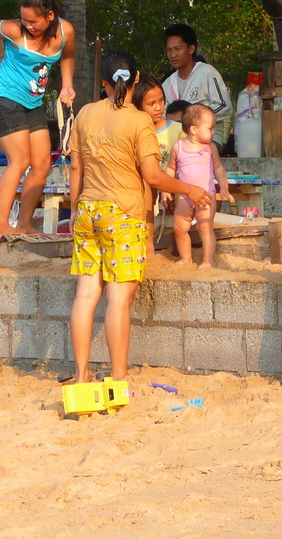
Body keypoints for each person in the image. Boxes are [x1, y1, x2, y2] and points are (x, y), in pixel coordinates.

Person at [68, 52, 211, 385]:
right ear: (135, 81)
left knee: (86, 296)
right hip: (124, 214)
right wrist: (189, 189)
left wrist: (75, 208)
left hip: (88, 212)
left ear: (103, 82)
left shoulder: (86, 113)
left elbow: (76, 166)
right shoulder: (138, 121)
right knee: (117, 299)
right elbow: (153, 176)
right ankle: (118, 377)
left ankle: (80, 374)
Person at [0, 0, 75, 239]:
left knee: (41, 163)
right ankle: (0, 224)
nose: (27, 25)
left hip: (32, 103)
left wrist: (67, 84)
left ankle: (25, 224)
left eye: (33, 21)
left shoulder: (65, 30)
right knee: (19, 160)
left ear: (50, 16)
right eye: (23, 19)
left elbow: (68, 56)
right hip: (5, 98)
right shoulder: (14, 29)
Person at [168, 104, 232, 268]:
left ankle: (207, 259)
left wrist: (223, 187)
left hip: (206, 195)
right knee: (179, 227)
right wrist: (165, 190)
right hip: (184, 196)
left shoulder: (210, 148)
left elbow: (218, 167)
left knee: (205, 227)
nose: (214, 132)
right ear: (194, 129)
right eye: (210, 128)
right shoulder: (178, 147)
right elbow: (170, 169)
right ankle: (186, 257)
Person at [131, 74, 184, 255]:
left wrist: (168, 185)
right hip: (146, 190)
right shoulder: (134, 133)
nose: (158, 107)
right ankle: (148, 245)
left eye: (161, 100)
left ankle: (180, 250)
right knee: (146, 183)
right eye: (151, 103)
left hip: (175, 188)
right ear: (138, 105)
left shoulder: (177, 131)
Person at [162, 24, 233, 148]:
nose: (173, 55)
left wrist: (194, 119)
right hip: (177, 143)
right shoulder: (167, 84)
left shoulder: (207, 72)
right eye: (169, 50)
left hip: (208, 139)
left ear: (191, 49)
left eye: (177, 49)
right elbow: (163, 115)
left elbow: (224, 106)